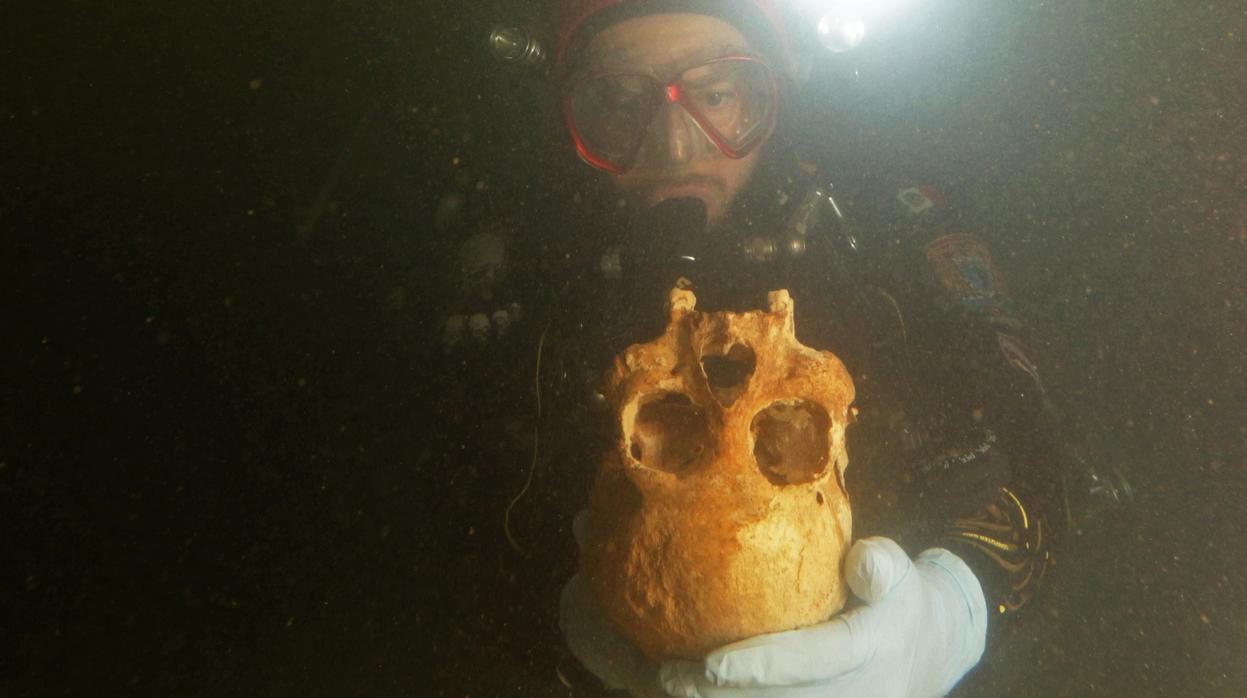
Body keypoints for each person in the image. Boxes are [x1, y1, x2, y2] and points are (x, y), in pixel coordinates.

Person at [438, 0, 1071, 695]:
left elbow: (1031, 446)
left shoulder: (883, 226)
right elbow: (460, 525)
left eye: (716, 93)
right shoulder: (524, 271)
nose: (675, 146)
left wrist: (952, 607)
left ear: (773, 91)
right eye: (618, 102)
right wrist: (560, 630)